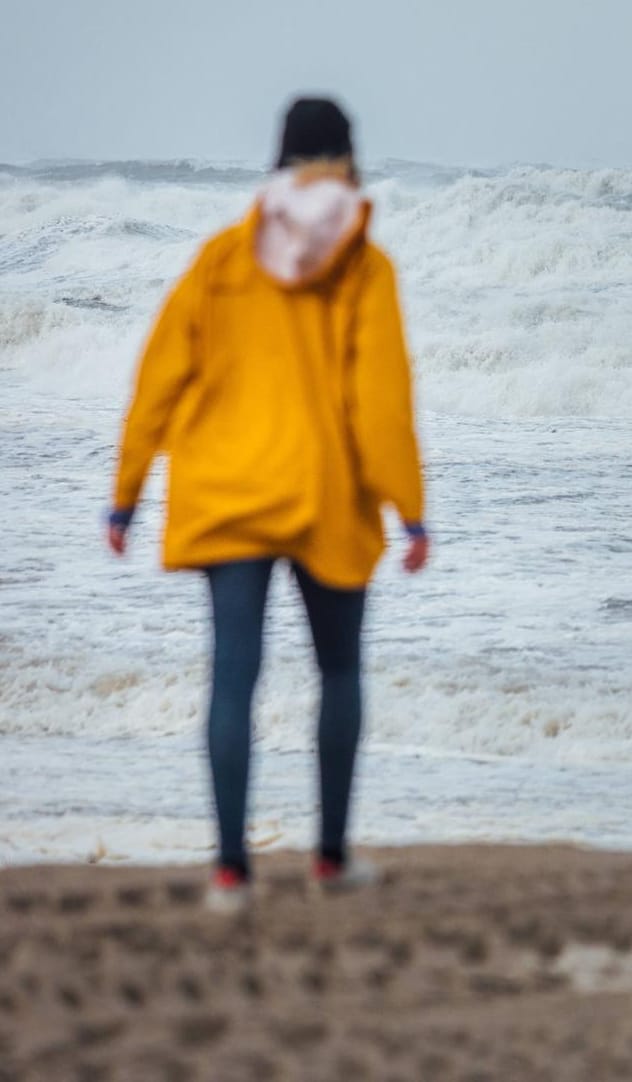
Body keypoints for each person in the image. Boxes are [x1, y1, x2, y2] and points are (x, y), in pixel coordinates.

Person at [108, 96, 428, 913]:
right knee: (340, 672)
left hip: (225, 491)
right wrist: (408, 506)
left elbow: (160, 376)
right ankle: (328, 861)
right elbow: (379, 399)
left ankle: (229, 875)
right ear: (348, 162)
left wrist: (127, 495)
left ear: (279, 162)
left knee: (232, 680)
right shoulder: (364, 264)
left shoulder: (223, 257)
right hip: (323, 494)